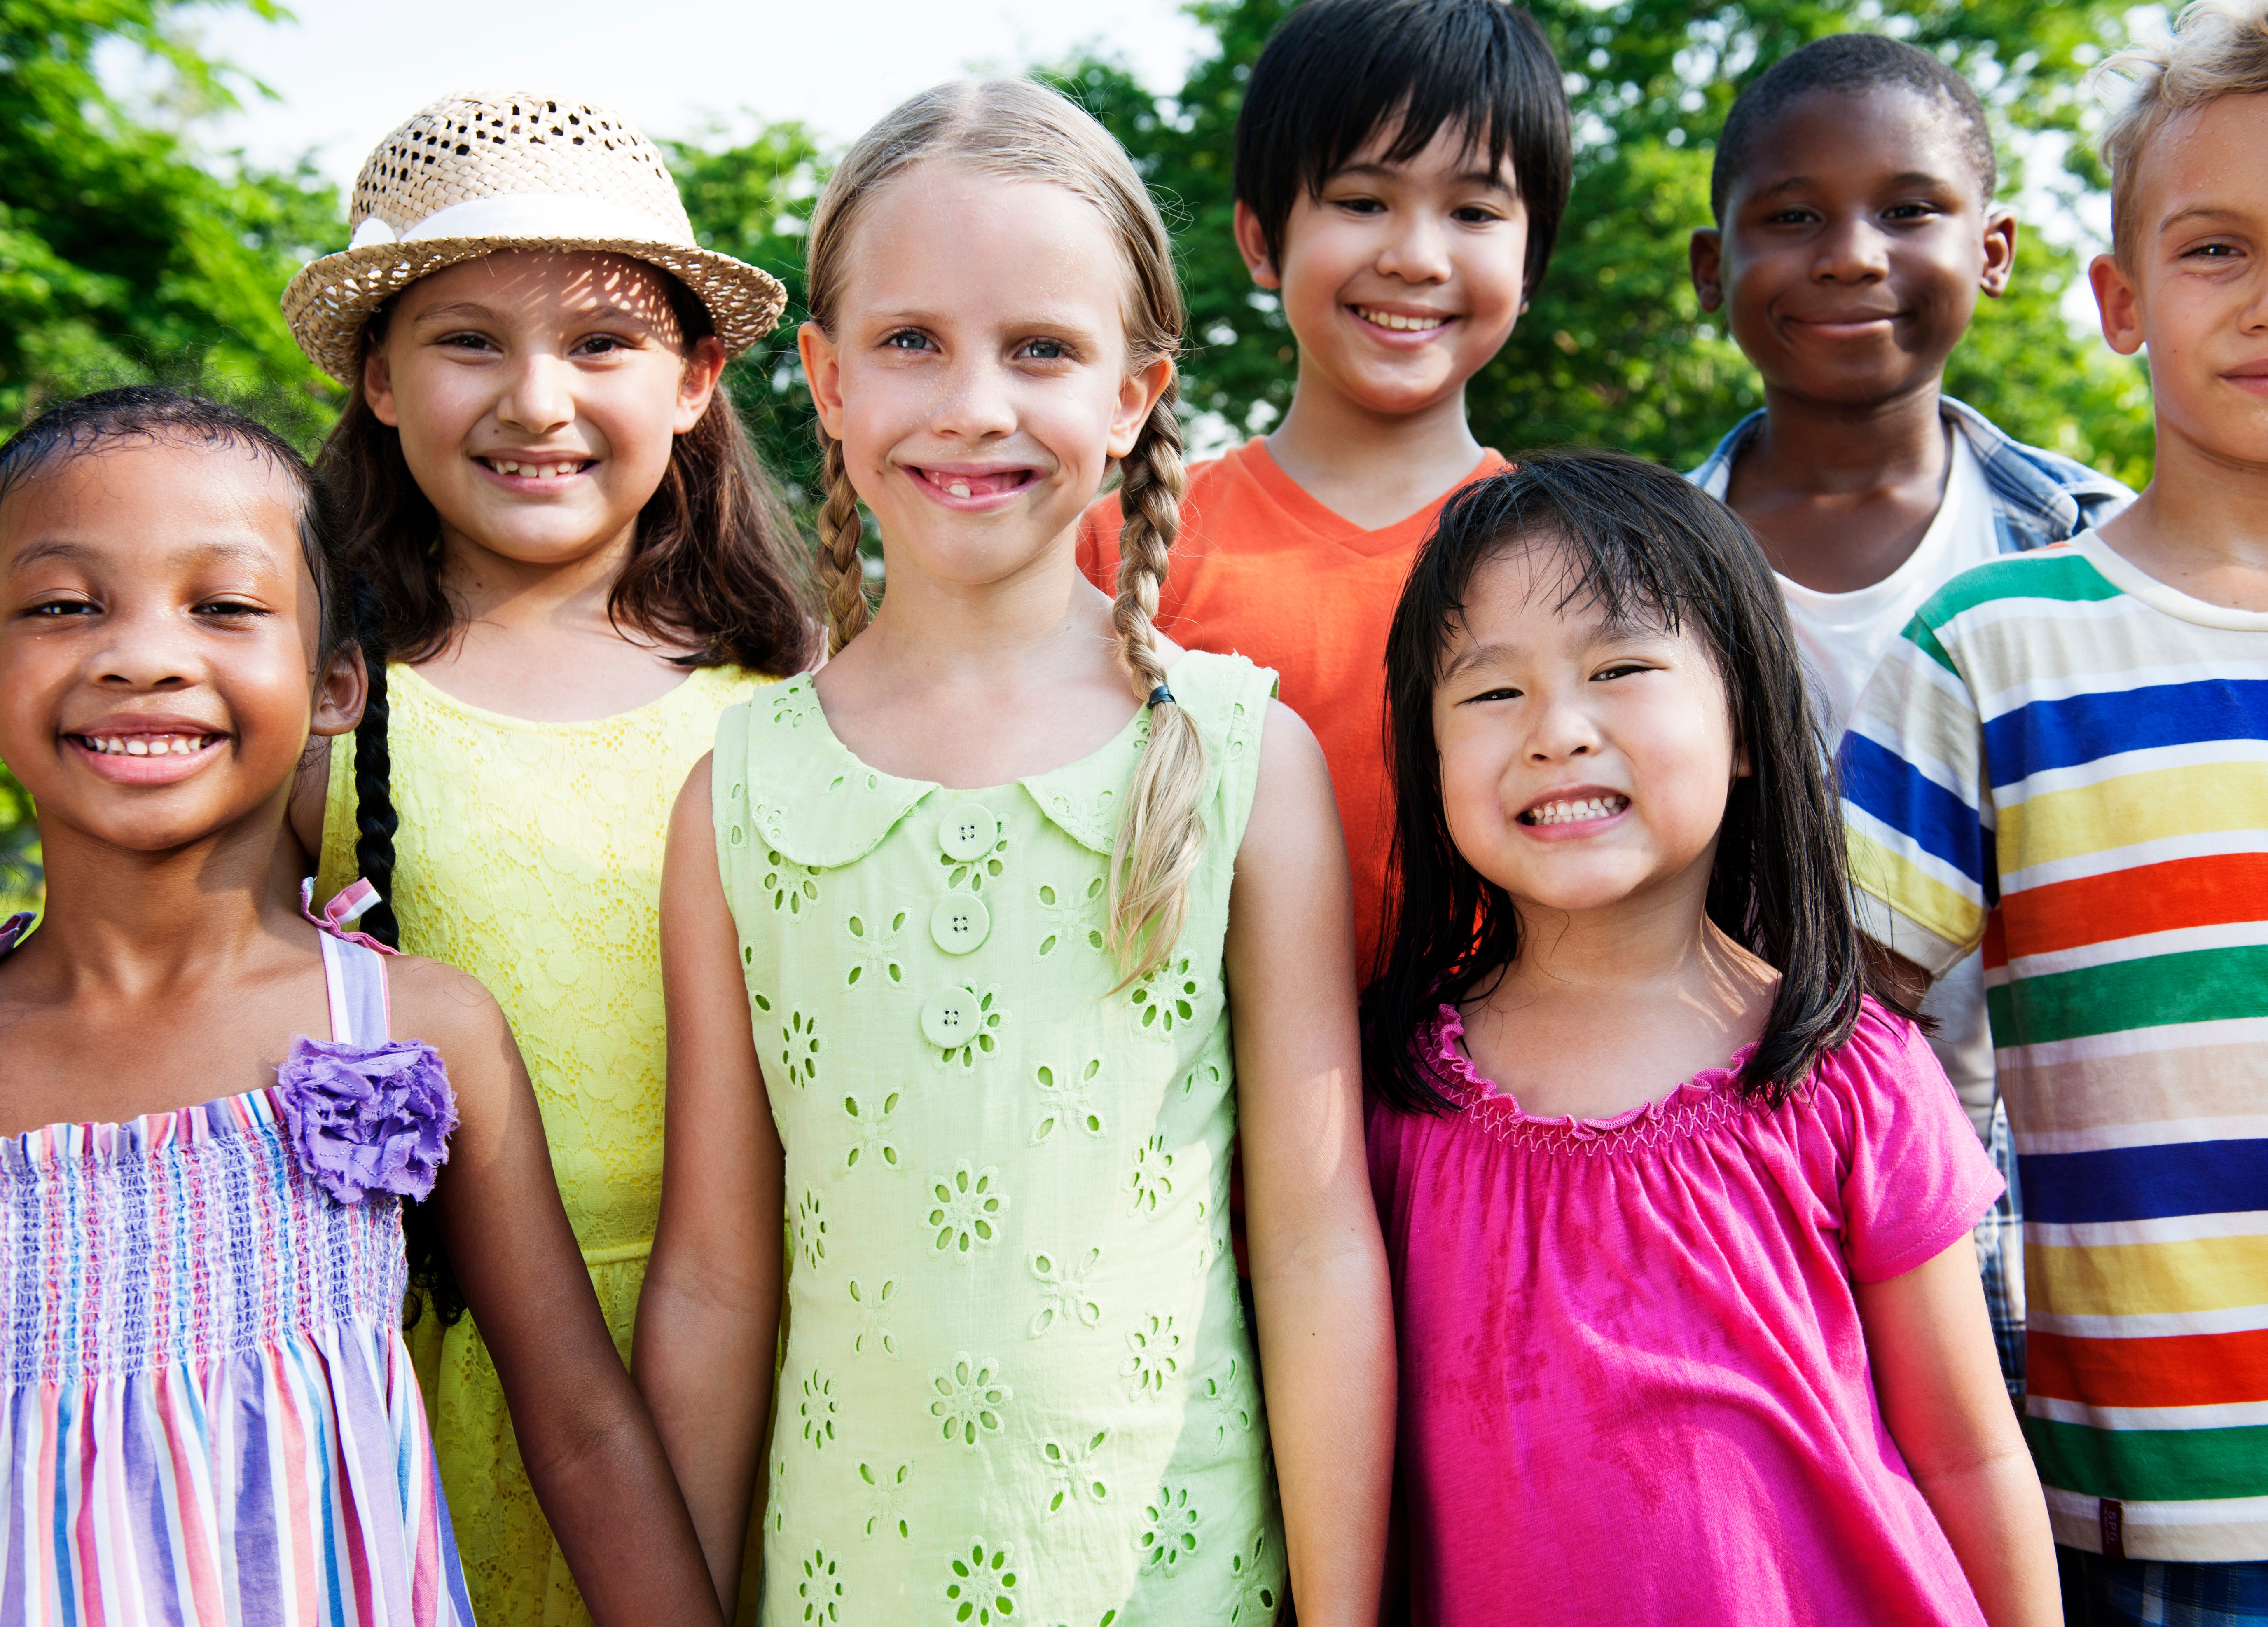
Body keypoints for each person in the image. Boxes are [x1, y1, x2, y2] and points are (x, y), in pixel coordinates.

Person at [636, 80, 1395, 1626]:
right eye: (912, 341)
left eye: (1040, 349)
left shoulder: (1245, 760)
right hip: (847, 1586)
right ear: (827, 382)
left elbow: (1314, 1244)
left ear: (1134, 394)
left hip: (1185, 1582)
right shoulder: (739, 791)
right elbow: (717, 1279)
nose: (974, 404)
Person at [0, 389, 721, 1626]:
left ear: (338, 684)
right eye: (65, 606)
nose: (141, 654)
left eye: (223, 606)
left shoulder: (411, 1030)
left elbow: (584, 1433)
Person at [1839, 0, 2268, 1618]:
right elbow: (1834, 1061)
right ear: (2118, 301)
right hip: (2139, 1515)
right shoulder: (1985, 654)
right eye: (2215, 248)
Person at [278, 94, 818, 1622]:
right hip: (418, 1364)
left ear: (699, 378)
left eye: (599, 344)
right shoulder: (323, 704)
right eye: (467, 343)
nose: (536, 401)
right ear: (379, 378)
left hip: (747, 1360)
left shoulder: (793, 707)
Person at [1363, 453, 2058, 1627]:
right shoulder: (1389, 1097)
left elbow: (1968, 1457)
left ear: (1743, 724)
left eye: (1621, 667)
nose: (1556, 733)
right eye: (1489, 693)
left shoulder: (1849, 1071)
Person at [1686, 32, 2137, 1395]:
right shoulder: (1633, 574)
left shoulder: (2096, 554)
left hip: (2045, 1229)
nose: (1848, 254)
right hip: (1738, 1208)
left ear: (1993, 250)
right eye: (1790, 217)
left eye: (1907, 209)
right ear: (1713, 270)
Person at [1076, 0, 1571, 984]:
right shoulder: (1121, 547)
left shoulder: (1580, 564)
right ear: (1260, 237)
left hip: (1490, 1123)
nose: (1415, 255)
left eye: (1473, 210)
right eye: (1360, 200)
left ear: (1530, 264)